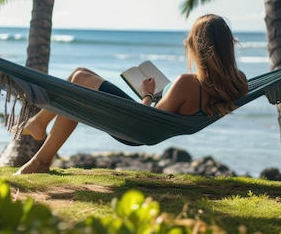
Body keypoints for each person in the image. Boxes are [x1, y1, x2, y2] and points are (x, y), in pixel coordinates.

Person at [14, 14, 248, 175]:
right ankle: (39, 125)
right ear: (227, 46)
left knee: (79, 82)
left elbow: (149, 118)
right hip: (145, 124)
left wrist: (147, 94)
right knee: (80, 73)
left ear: (197, 46)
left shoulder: (187, 83)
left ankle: (41, 157)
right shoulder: (238, 83)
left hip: (135, 129)